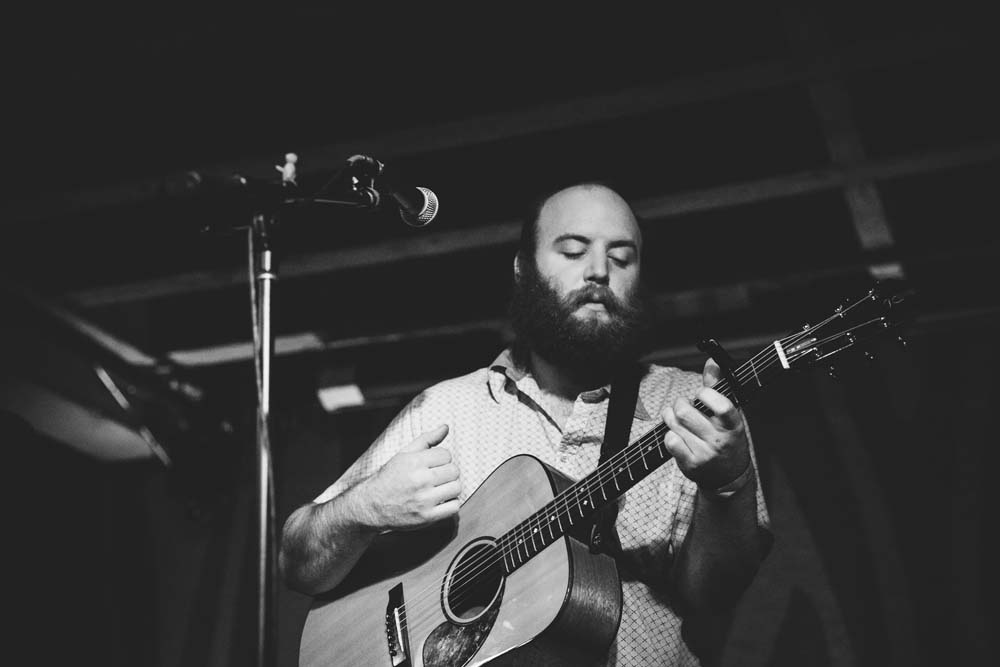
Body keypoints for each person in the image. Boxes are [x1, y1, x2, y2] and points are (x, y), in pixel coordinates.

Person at [280, 182, 772, 666]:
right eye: (574, 251)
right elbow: (299, 562)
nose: (599, 271)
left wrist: (729, 486)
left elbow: (715, 597)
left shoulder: (694, 407)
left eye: (622, 258)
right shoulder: (447, 408)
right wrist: (366, 507)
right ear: (523, 270)